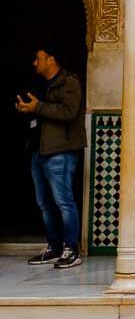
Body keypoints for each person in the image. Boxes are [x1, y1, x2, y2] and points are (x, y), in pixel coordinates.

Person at [15, 45, 86, 269]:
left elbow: (69, 112)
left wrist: (39, 107)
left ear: (51, 59)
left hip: (60, 152)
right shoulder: (40, 84)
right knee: (44, 203)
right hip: (39, 152)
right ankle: (54, 247)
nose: (35, 63)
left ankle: (71, 249)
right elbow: (42, 111)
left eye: (38, 58)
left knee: (64, 202)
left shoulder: (69, 83)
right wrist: (29, 109)